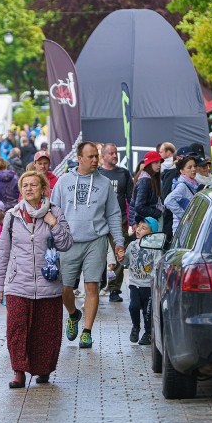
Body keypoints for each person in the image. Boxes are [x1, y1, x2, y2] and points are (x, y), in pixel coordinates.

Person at [0, 170, 73, 388]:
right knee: (16, 327)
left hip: (48, 282)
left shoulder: (55, 212)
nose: (29, 189)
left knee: (46, 330)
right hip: (18, 282)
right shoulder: (12, 216)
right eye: (25, 185)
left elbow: (66, 243)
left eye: (34, 185)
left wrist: (53, 223)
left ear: (44, 189)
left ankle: (43, 369)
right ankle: (18, 371)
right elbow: (3, 252)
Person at [51, 142, 125, 350]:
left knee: (92, 285)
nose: (95, 160)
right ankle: (74, 314)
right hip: (69, 241)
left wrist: (119, 242)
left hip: (96, 240)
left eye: (96, 157)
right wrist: (53, 236)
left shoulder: (104, 183)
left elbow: (113, 214)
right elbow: (53, 210)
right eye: (90, 157)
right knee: (64, 287)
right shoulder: (64, 182)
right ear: (79, 158)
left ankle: (87, 331)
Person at [97, 143, 134, 302]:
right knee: (97, 254)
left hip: (119, 220)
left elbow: (131, 198)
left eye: (115, 153)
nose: (114, 156)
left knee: (120, 252)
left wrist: (132, 220)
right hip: (98, 220)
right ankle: (97, 284)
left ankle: (114, 289)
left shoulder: (123, 173)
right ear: (103, 156)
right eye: (111, 153)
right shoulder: (97, 173)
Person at [123, 216, 160, 345]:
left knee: (148, 311)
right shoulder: (132, 245)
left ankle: (148, 333)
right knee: (133, 307)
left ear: (152, 233)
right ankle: (135, 327)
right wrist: (120, 257)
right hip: (134, 284)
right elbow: (125, 261)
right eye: (138, 226)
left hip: (148, 285)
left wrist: (154, 280)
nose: (138, 229)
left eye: (143, 228)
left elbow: (157, 264)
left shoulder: (156, 247)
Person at [164, 155, 199, 234]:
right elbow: (168, 201)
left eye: (195, 166)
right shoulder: (182, 186)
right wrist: (184, 215)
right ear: (182, 171)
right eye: (189, 167)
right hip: (181, 230)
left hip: (189, 228)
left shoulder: (193, 184)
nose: (193, 169)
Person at [130, 151, 164, 226]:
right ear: (149, 164)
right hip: (147, 223)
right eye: (156, 162)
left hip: (149, 222)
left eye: (159, 162)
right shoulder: (144, 181)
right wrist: (157, 213)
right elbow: (139, 206)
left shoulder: (151, 178)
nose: (159, 165)